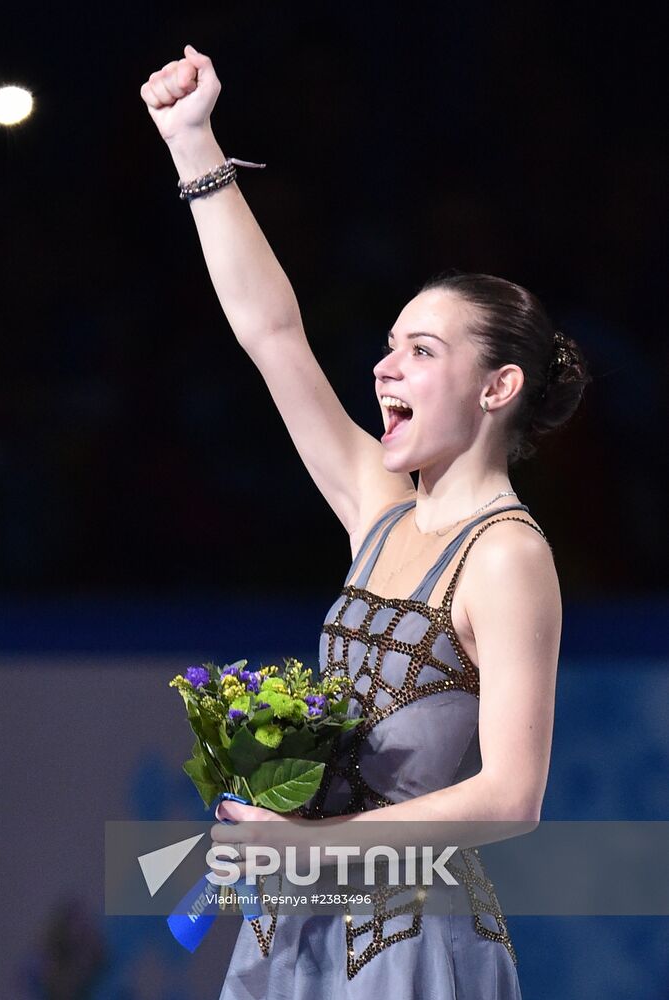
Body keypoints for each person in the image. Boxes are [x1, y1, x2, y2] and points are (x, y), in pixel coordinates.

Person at [140, 46, 590, 1000]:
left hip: (413, 938)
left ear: (498, 386)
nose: (384, 368)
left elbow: (513, 796)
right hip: (299, 923)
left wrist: (317, 846)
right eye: (388, 347)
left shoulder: (506, 557)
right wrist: (193, 145)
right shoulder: (379, 511)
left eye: (420, 351)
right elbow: (274, 336)